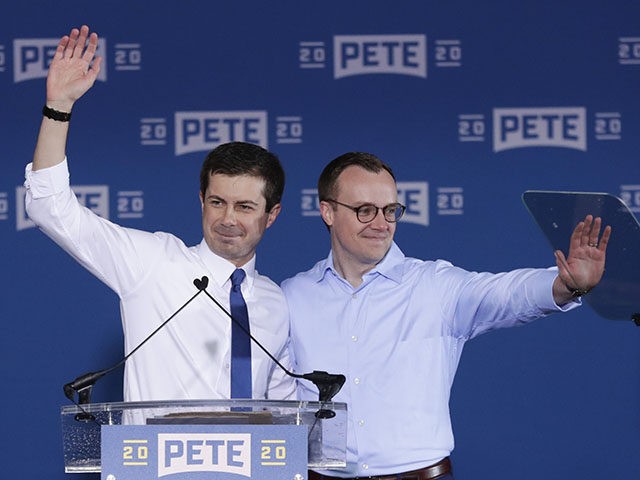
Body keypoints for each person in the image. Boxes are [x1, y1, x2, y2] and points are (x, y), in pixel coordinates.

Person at [281, 152, 611, 479]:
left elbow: (506, 293)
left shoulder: (435, 286)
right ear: (327, 211)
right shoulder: (293, 295)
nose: (381, 224)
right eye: (364, 211)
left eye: (390, 210)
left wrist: (563, 285)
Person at [24, 25, 295, 402]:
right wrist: (58, 108)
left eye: (245, 207)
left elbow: (283, 409)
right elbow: (49, 207)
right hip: (157, 461)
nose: (228, 219)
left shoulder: (275, 302)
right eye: (217, 202)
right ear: (202, 201)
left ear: (273, 214)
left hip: (248, 463)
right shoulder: (153, 264)